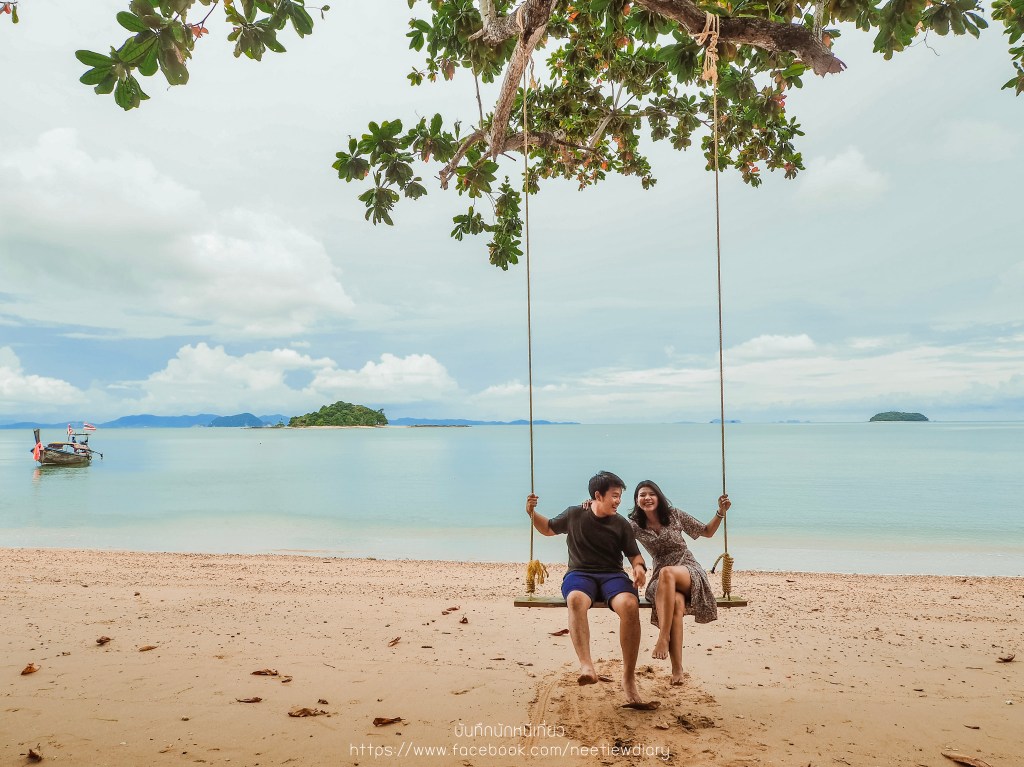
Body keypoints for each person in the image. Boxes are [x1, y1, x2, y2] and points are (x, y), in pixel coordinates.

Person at [526, 470, 649, 705]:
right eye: (614, 496)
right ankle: (586, 666)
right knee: (575, 599)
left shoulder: (621, 523)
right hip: (580, 574)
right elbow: (548, 529)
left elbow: (634, 555)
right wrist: (531, 513)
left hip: (612, 575)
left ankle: (628, 678)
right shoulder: (575, 514)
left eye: (619, 496)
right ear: (598, 496)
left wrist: (639, 568)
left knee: (630, 605)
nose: (618, 501)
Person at [628, 480, 730, 685]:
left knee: (668, 573)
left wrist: (720, 512)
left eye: (651, 494)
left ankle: (663, 637)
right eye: (642, 495)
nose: (647, 498)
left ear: (659, 497)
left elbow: (707, 531)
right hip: (661, 577)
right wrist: (589, 506)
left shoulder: (674, 514)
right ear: (637, 500)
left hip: (687, 569)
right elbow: (610, 529)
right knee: (675, 603)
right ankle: (677, 670)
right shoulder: (634, 525)